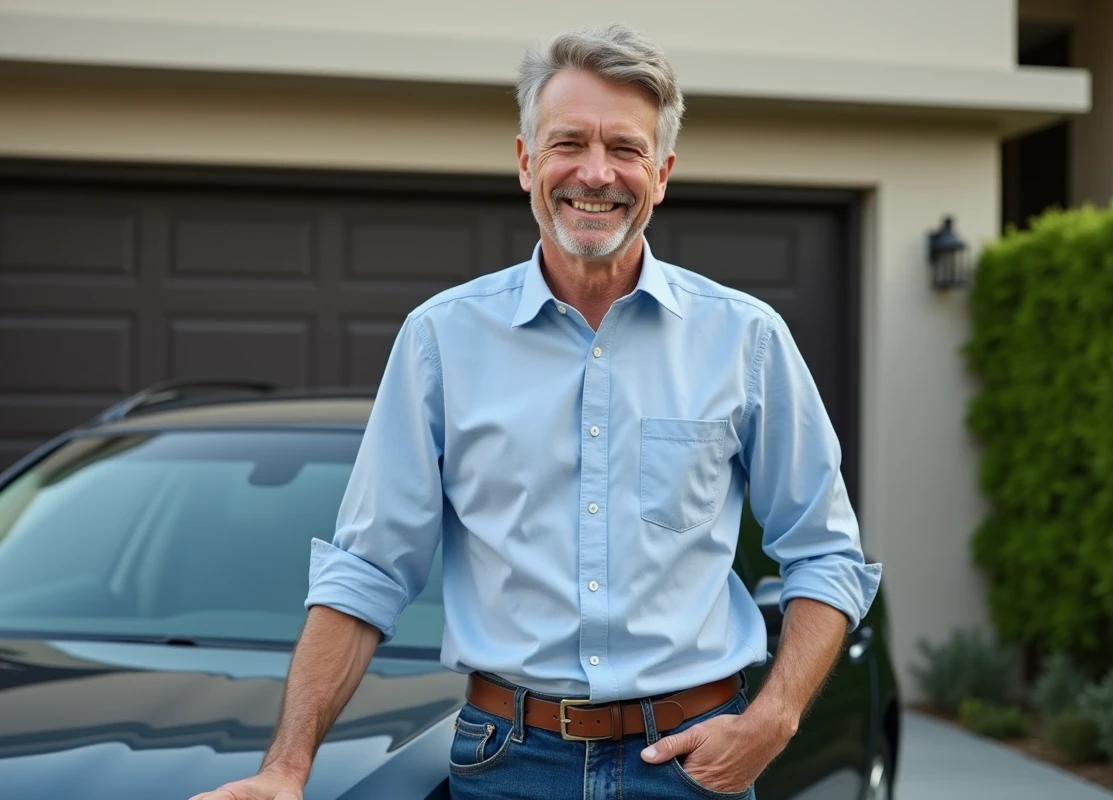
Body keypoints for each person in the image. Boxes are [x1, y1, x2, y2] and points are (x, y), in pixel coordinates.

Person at [192, 23, 881, 800]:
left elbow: (826, 553)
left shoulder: (745, 339)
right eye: (568, 144)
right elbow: (369, 571)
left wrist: (775, 718)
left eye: (625, 148)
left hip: (693, 766)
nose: (596, 173)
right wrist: (287, 768)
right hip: (508, 763)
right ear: (526, 162)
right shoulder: (441, 341)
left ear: (662, 173)